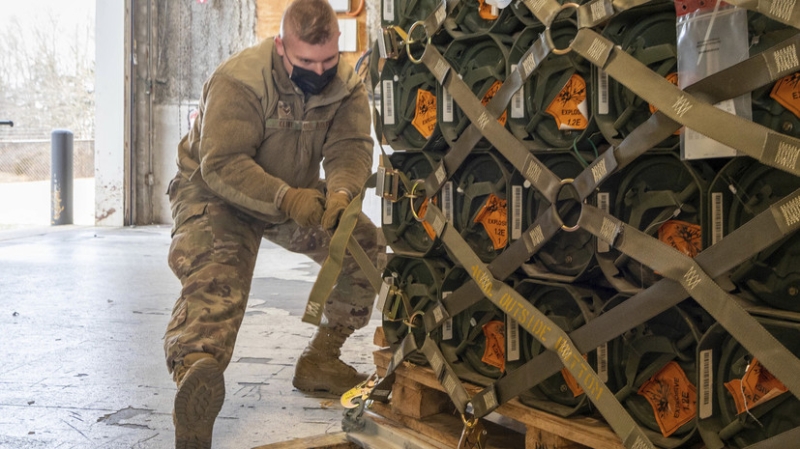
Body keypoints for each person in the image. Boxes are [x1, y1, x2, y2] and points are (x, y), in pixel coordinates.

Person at [163, 0, 381, 447]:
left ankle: (322, 357)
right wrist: (287, 197)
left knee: (364, 247)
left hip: (294, 194)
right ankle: (197, 375)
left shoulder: (345, 84)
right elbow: (221, 164)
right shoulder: (239, 80)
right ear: (281, 46)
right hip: (215, 191)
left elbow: (351, 148)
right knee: (217, 278)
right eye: (305, 62)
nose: (318, 71)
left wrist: (340, 193)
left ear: (338, 42)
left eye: (327, 60)